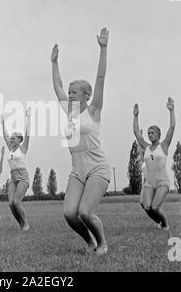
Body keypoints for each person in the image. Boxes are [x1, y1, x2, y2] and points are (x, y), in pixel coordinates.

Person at [51, 28, 111, 255]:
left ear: (87, 95)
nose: (71, 94)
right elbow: (57, 87)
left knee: (85, 212)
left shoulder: (94, 110)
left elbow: (100, 79)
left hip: (97, 167)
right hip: (77, 171)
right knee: (69, 214)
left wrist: (103, 49)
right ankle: (89, 242)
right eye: (70, 92)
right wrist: (54, 63)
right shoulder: (69, 112)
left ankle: (102, 243)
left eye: (75, 92)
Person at [133, 98, 176, 230]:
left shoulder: (164, 145)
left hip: (162, 180)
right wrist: (136, 116)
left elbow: (172, 127)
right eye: (149, 133)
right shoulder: (145, 147)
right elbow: (136, 132)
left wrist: (171, 110)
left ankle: (165, 225)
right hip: (149, 182)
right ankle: (159, 221)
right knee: (146, 206)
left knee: (155, 207)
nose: (150, 135)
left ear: (158, 134)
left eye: (153, 133)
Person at [1, 107, 31, 231]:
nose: (11, 138)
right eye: (11, 137)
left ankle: (25, 224)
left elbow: (28, 133)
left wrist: (28, 117)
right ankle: (21, 224)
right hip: (13, 177)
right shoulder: (11, 149)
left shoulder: (22, 148)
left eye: (14, 137)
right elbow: (5, 135)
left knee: (17, 202)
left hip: (23, 176)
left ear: (20, 140)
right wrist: (2, 123)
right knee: (11, 204)